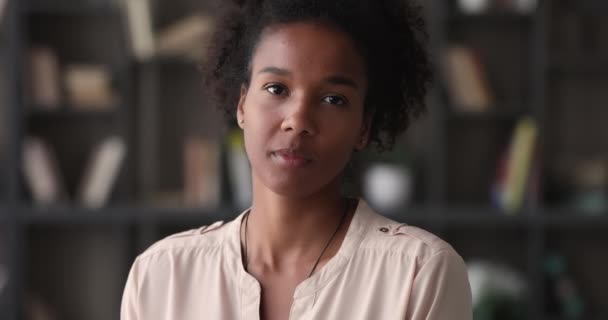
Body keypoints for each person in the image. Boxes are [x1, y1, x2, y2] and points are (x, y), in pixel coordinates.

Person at [121, 0, 472, 319]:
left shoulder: (417, 273)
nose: (298, 120)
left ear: (364, 125)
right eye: (276, 89)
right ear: (242, 105)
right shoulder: (162, 276)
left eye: (333, 99)